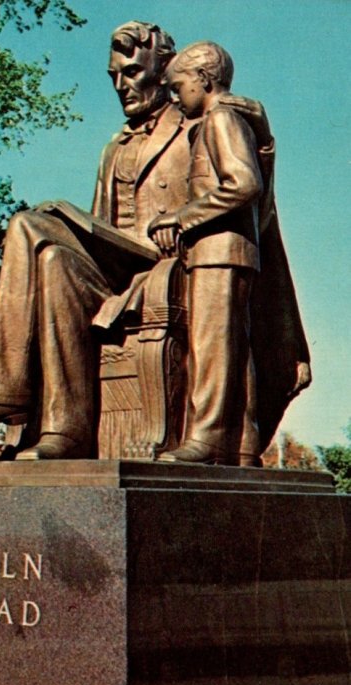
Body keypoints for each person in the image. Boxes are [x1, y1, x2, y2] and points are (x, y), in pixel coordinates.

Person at [0, 20, 191, 459]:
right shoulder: (114, 148)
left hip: (162, 270)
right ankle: (64, 432)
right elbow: (103, 226)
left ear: (164, 70)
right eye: (114, 77)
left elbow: (227, 204)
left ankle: (1, 389)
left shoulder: (194, 131)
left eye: (132, 74)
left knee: (27, 225)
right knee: (51, 259)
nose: (121, 86)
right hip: (114, 270)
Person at [149, 41, 311, 466]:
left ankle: (206, 439)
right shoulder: (222, 120)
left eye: (178, 86)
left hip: (219, 253)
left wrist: (182, 218)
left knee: (211, 348)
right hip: (227, 253)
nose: (172, 96)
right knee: (232, 350)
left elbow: (243, 184)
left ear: (203, 80)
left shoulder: (221, 118)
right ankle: (240, 444)